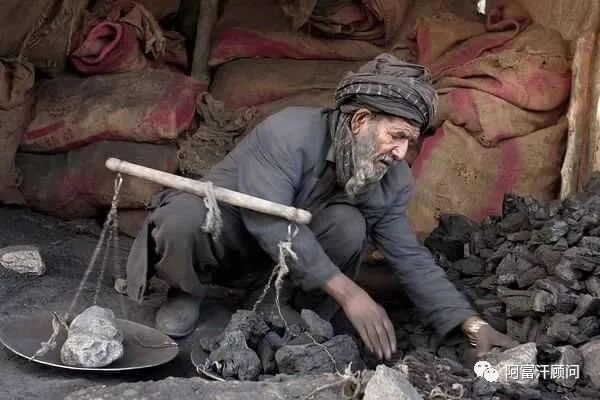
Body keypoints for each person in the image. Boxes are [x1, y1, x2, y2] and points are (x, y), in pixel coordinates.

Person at [125, 54, 515, 360]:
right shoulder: (289, 133)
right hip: (230, 239)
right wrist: (350, 293)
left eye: (409, 143)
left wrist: (471, 324)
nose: (401, 153)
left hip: (286, 266)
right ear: (361, 120)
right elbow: (269, 221)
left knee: (348, 224)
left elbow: (409, 256)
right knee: (184, 215)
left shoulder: (391, 178)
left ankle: (274, 302)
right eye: (396, 136)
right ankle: (185, 290)